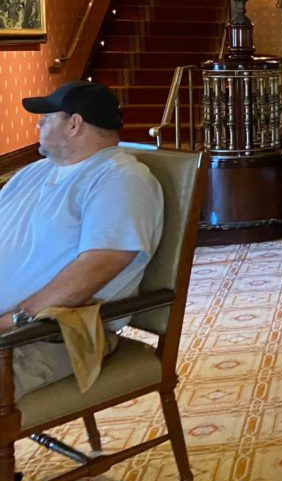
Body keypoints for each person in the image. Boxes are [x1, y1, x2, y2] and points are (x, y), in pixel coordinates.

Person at [0, 81, 164, 401]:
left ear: (74, 124)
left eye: (46, 118)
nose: (37, 125)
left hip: (43, 336)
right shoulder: (33, 173)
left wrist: (13, 320)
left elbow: (97, 266)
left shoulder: (120, 179)